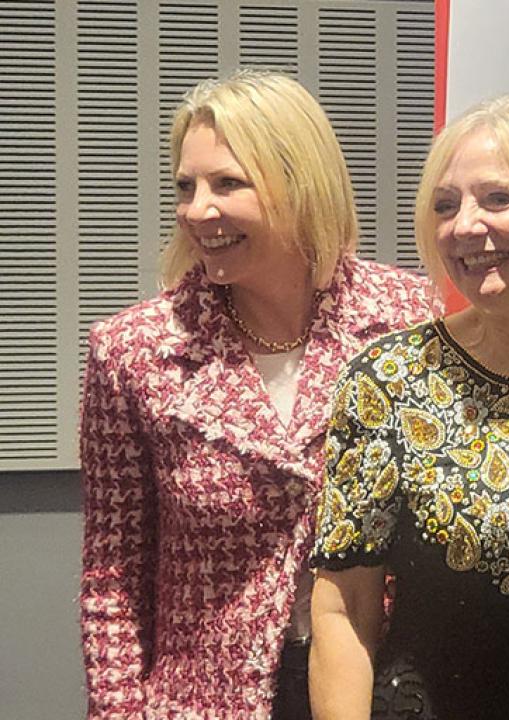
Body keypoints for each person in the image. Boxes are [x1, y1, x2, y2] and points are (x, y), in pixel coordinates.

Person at [78, 69, 434, 719]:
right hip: (208, 701)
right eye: (185, 186)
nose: (197, 210)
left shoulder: (410, 320)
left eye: (227, 183)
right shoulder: (133, 351)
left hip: (381, 687)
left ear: (301, 184)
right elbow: (114, 582)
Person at [308, 95, 509, 720]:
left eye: (497, 199)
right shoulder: (390, 380)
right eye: (444, 205)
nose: (464, 226)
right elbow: (344, 606)